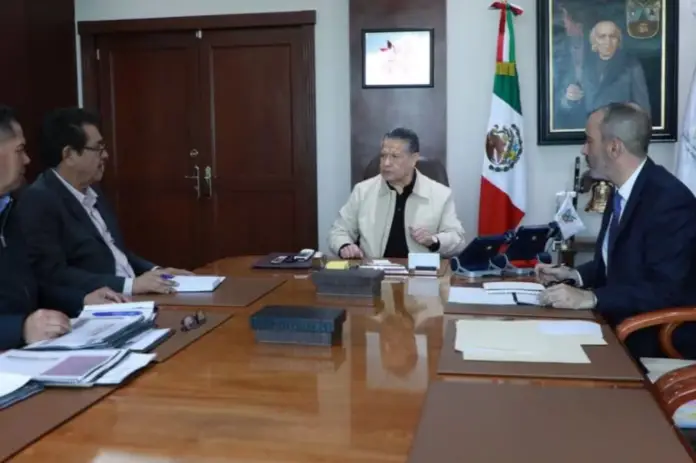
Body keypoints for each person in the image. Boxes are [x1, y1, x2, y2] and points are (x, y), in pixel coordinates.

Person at [537, 102, 696, 358]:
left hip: (653, 340)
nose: (584, 149)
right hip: (616, 327)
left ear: (614, 148)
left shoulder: (669, 200)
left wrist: (590, 298)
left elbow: (665, 290)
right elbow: (617, 265)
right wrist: (574, 275)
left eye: (589, 141)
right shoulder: (622, 190)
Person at [16, 107, 192, 296]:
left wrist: (157, 273)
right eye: (98, 149)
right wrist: (129, 285)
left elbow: (116, 253)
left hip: (132, 297)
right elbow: (54, 275)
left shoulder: (93, 190)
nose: (105, 155)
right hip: (101, 303)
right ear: (69, 155)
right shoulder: (39, 200)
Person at [0, 105, 125, 349]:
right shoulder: (36, 200)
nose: (27, 160)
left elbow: (32, 286)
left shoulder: (10, 210)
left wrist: (83, 300)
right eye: (20, 150)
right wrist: (20, 329)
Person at [328, 128, 466, 259]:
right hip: (374, 270)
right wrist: (345, 246)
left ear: (414, 159)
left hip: (419, 271)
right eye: (383, 156)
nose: (386, 163)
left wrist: (434, 240)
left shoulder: (440, 194)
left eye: (395, 156)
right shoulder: (363, 191)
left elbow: (458, 240)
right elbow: (339, 231)